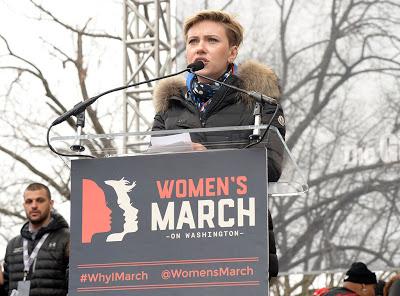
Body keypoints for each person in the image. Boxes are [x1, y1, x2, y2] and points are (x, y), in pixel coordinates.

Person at [151, 10, 286, 280]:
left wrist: (210, 158)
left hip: (238, 240)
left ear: (232, 53)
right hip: (177, 237)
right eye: (192, 41)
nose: (200, 47)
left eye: (212, 40)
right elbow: (149, 169)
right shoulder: (170, 106)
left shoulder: (258, 102)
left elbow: (269, 165)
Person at [3, 183, 70, 296]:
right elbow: (6, 289)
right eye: (29, 201)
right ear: (24, 205)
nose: (34, 206)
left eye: (40, 200)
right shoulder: (13, 245)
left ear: (51, 203)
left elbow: (76, 286)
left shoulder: (67, 239)